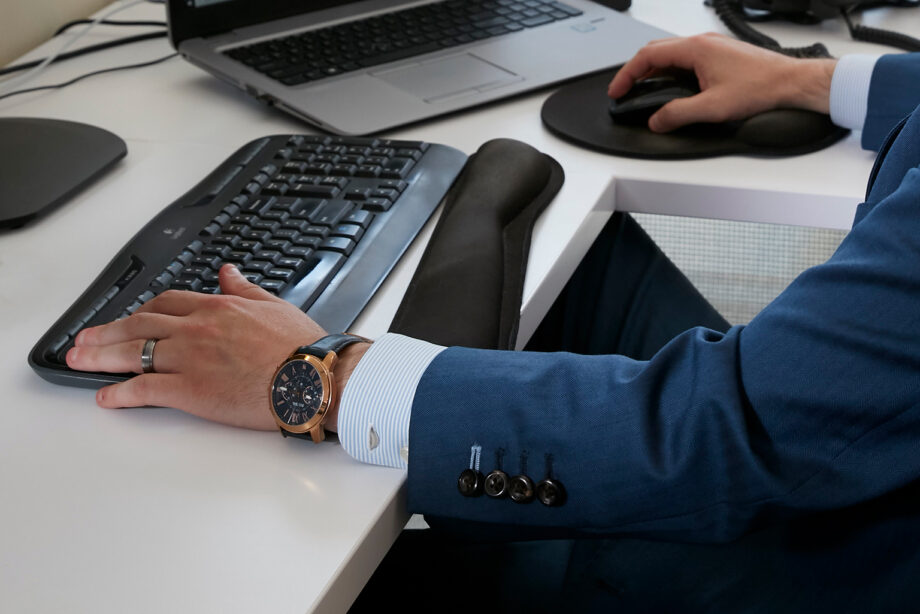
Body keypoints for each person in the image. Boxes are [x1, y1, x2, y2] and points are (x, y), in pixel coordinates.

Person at [66, 34, 920, 611]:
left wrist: (319, 378)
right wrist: (825, 82)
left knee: (345, 567)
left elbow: (728, 434)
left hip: (853, 561)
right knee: (593, 267)